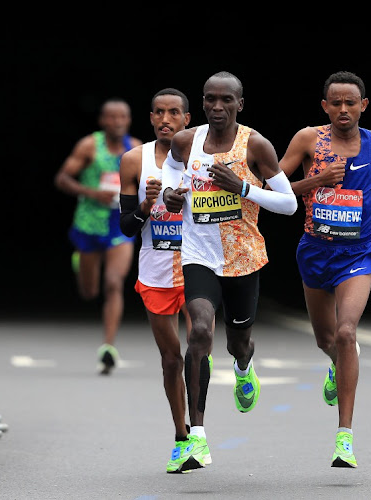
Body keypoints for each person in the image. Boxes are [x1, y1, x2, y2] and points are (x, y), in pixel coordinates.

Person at [161, 71, 298, 469]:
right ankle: (197, 438)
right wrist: (171, 193)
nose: (217, 107)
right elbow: (171, 170)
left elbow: (288, 204)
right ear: (201, 103)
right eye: (210, 100)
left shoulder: (256, 145)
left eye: (226, 100)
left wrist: (242, 189)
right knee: (200, 330)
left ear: (240, 104)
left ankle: (243, 366)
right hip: (198, 254)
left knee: (237, 341)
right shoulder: (187, 140)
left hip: (242, 258)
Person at [278, 70, 371, 468]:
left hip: (358, 253)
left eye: (351, 102)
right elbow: (272, 188)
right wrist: (313, 181)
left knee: (347, 333)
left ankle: (344, 437)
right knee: (326, 339)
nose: (343, 109)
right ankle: (337, 363)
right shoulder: (308, 140)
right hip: (315, 250)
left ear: (363, 106)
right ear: (325, 106)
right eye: (336, 102)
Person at [118, 88, 204, 472]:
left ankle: (198, 433)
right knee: (171, 359)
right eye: (159, 112)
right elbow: (124, 229)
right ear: (150, 117)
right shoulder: (133, 160)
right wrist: (144, 205)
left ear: (187, 119)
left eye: (174, 113)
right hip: (154, 270)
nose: (166, 119)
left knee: (198, 345)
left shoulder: (203, 155)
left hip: (199, 264)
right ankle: (180, 436)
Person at [54, 97, 142, 374]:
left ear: (128, 120)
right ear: (102, 121)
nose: (117, 122)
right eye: (111, 117)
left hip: (120, 225)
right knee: (89, 291)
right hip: (89, 224)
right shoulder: (89, 145)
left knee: (114, 283)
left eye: (122, 117)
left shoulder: (137, 148)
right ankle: (80, 262)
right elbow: (63, 179)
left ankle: (108, 346)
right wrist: (93, 193)